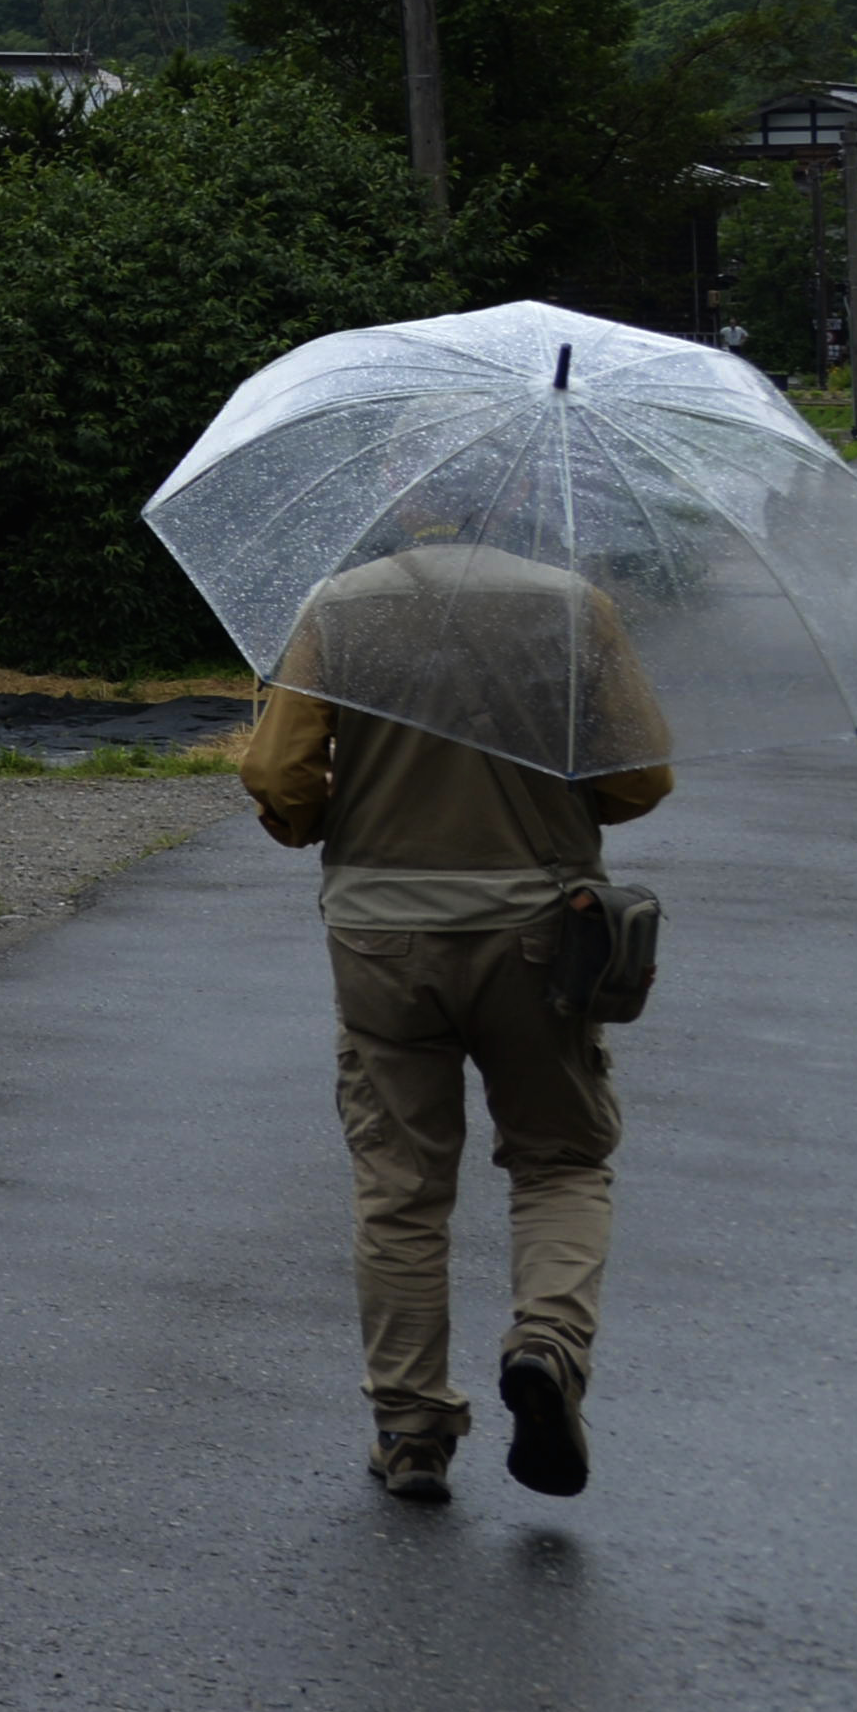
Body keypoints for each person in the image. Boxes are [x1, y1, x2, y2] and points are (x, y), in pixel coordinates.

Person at [239, 527, 674, 1505]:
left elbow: (277, 779)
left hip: (381, 939)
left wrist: (320, 813)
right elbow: (638, 777)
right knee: (560, 1156)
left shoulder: (338, 605)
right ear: (508, 500)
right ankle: (547, 1346)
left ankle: (410, 1429)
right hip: (535, 929)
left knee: (400, 1182)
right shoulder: (573, 605)